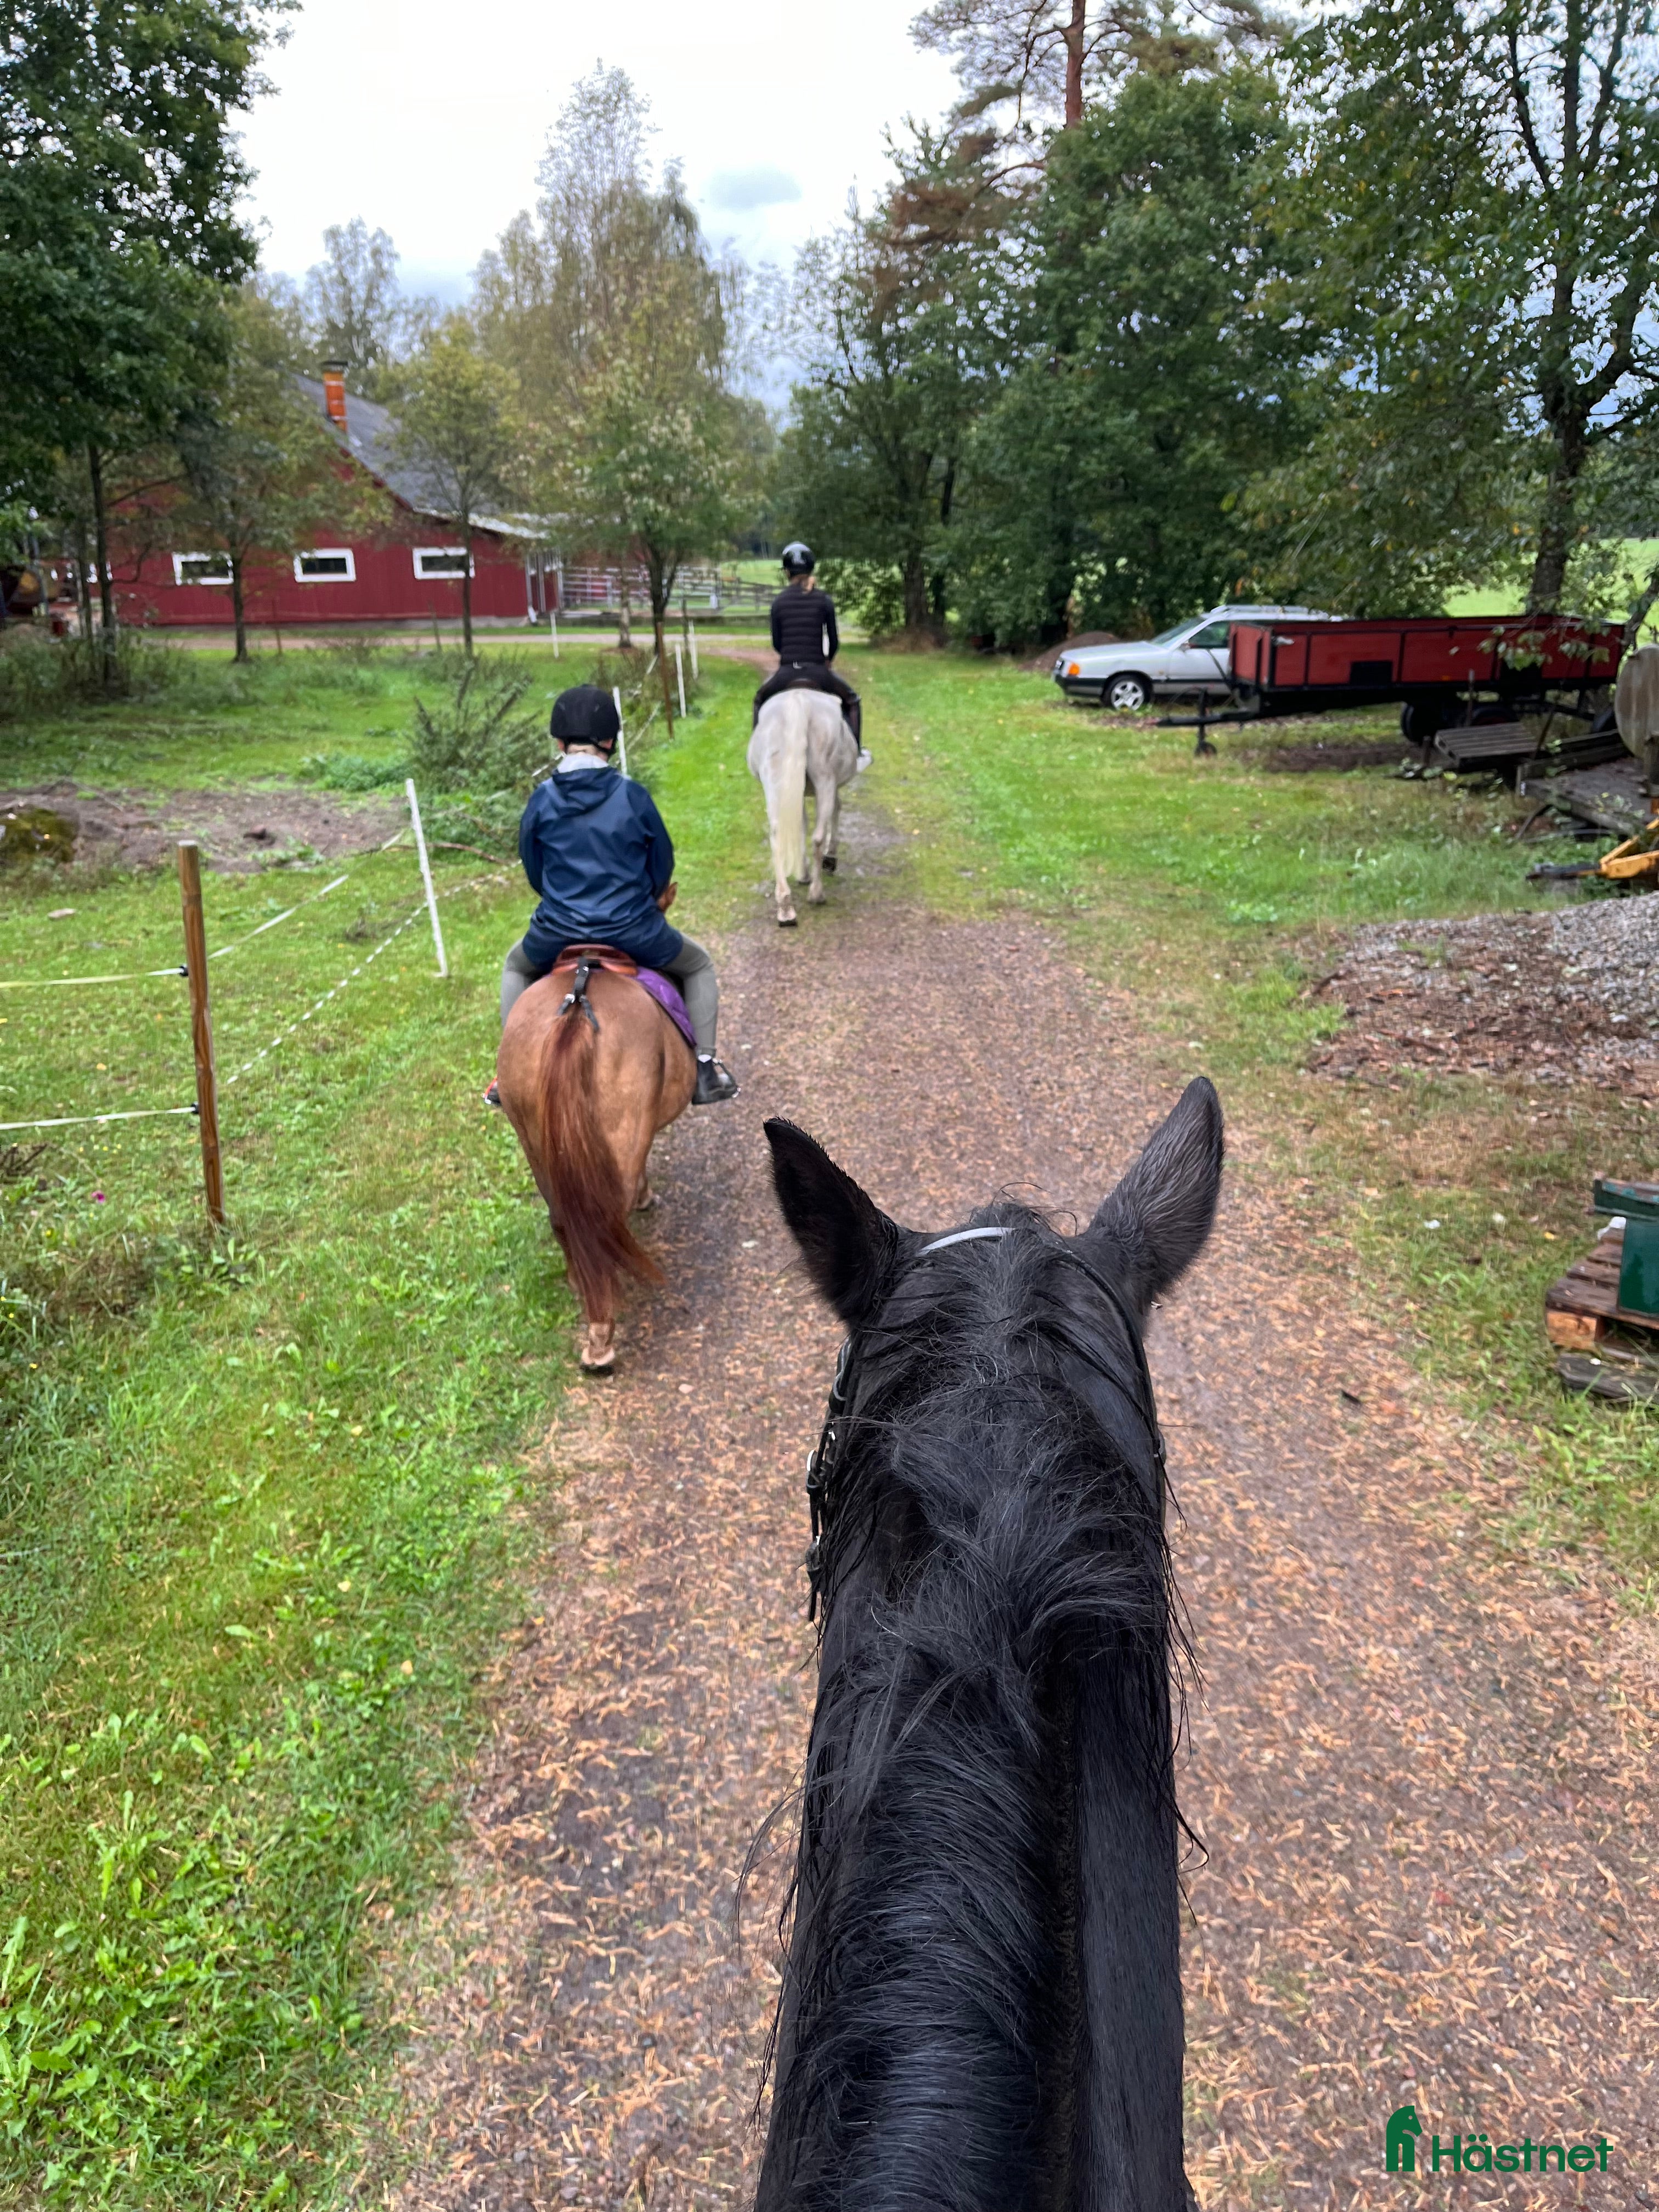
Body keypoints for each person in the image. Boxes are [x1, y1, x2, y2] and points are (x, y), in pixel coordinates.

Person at [490, 684, 738, 1107]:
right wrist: (650, 895)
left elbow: (534, 870)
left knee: (515, 966)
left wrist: (561, 901)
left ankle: (505, 1076)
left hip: (557, 933)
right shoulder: (633, 795)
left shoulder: (542, 799)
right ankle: (704, 1067)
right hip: (635, 931)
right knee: (698, 965)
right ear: (610, 740)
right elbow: (662, 863)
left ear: (558, 741)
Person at [752, 542, 862, 746]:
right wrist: (828, 660)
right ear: (811, 569)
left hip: (786, 673)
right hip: (818, 672)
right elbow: (834, 641)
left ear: (787, 572)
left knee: (759, 700)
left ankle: (757, 749)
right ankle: (857, 751)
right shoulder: (824, 600)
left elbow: (778, 644)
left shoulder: (778, 603)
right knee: (853, 700)